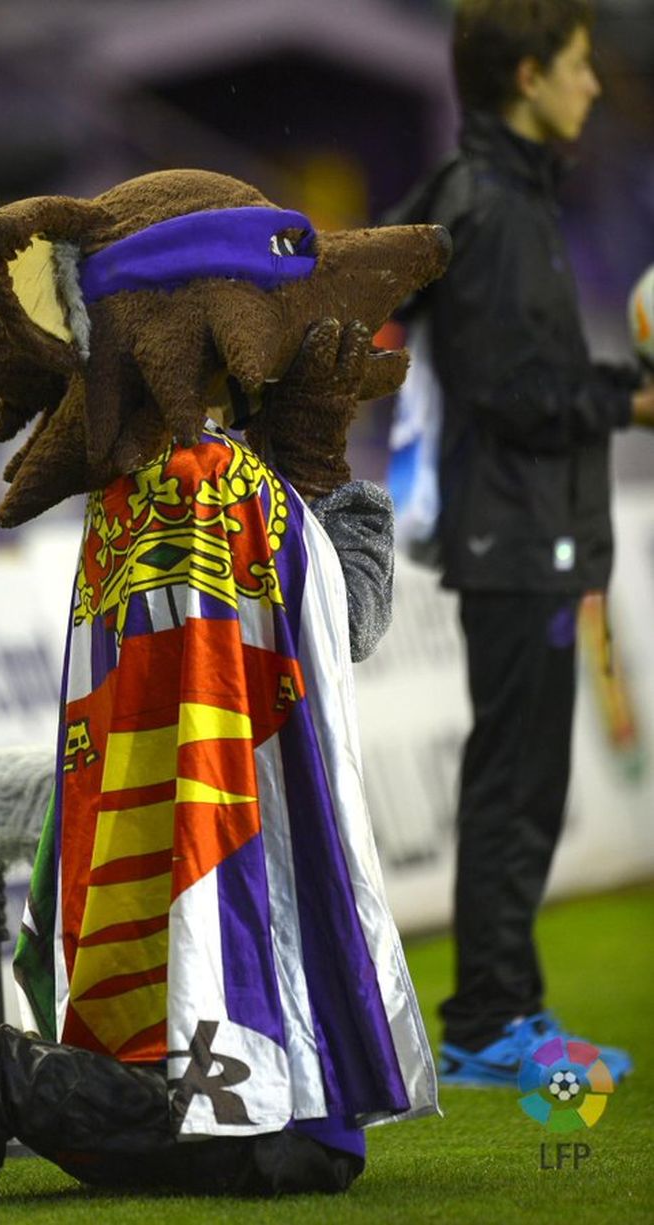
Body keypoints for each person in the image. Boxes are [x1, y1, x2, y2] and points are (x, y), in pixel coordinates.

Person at [0, 169, 451, 1202]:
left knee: (280, 1139)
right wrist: (325, 478)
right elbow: (343, 625)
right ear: (215, 316)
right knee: (297, 1149)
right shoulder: (218, 487)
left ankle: (24, 1078)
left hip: (140, 876)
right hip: (209, 879)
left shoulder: (137, 483)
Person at [385, 0, 654, 1086]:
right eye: (581, 68)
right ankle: (491, 1022)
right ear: (529, 75)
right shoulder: (492, 208)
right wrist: (632, 404)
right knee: (516, 778)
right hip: (513, 534)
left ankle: (504, 1011)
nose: (596, 87)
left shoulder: (507, 196)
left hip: (528, 528)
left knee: (523, 775)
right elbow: (510, 391)